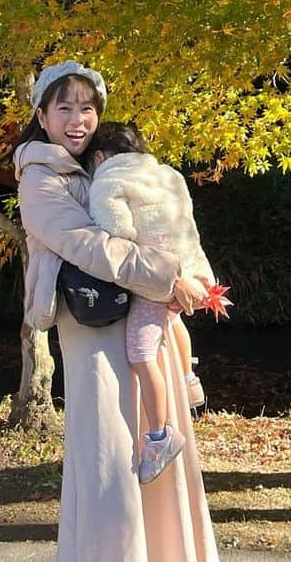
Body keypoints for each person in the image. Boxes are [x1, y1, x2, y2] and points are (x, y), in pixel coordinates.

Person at [14, 60, 226, 562]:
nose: (77, 119)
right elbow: (91, 247)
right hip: (92, 337)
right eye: (63, 108)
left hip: (138, 329)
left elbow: (167, 221)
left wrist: (198, 283)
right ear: (41, 115)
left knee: (143, 480)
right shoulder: (39, 176)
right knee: (102, 479)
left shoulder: (106, 166)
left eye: (87, 107)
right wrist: (169, 279)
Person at [87, 121, 216, 483]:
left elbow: (118, 233)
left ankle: (160, 436)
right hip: (194, 270)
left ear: (100, 155)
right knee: (174, 322)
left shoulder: (108, 178)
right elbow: (186, 222)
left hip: (156, 280)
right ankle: (190, 380)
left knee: (141, 354)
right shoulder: (169, 173)